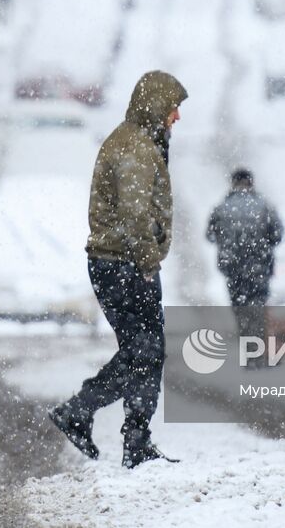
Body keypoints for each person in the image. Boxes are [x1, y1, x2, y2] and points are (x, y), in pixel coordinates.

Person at [50, 70, 188, 469]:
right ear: (156, 106)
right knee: (145, 350)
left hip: (120, 262)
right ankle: (89, 415)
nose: (176, 116)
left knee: (143, 351)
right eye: (173, 107)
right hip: (123, 264)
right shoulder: (134, 148)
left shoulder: (137, 141)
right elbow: (134, 215)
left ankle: (128, 435)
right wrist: (148, 262)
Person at [205, 168, 283, 348]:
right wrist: (263, 244)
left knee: (240, 308)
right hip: (260, 265)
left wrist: (227, 242)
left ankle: (248, 347)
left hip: (232, 267)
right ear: (251, 182)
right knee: (258, 307)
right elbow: (278, 234)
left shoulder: (221, 208)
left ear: (233, 183)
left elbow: (209, 235)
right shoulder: (264, 205)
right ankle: (259, 348)